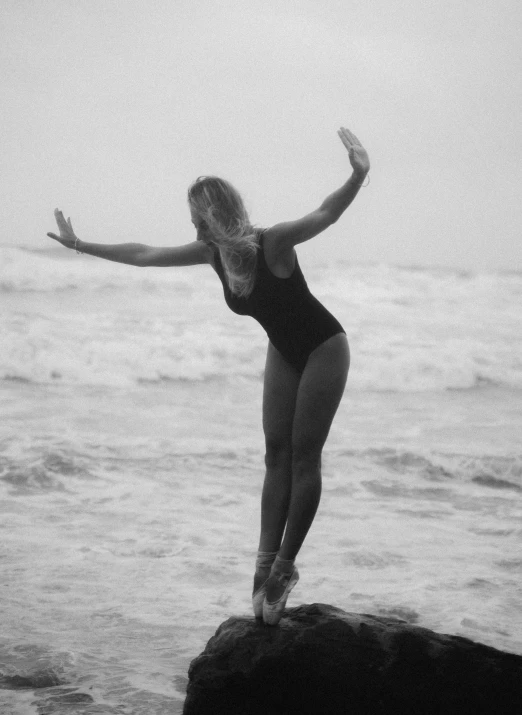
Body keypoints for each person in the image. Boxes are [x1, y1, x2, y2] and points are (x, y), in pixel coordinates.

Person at [47, 126, 370, 625]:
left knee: (304, 458)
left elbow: (323, 214)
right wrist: (81, 245)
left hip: (325, 348)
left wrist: (358, 175)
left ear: (215, 216)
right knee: (273, 454)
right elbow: (144, 254)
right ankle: (263, 561)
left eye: (198, 219)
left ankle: (285, 568)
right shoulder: (212, 255)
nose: (193, 228)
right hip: (283, 351)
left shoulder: (274, 243)